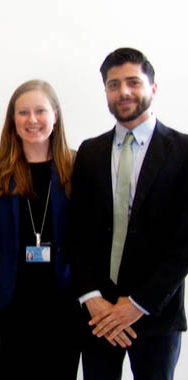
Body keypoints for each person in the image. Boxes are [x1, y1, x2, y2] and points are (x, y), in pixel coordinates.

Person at [70, 47, 188, 380]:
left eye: (133, 82)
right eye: (113, 84)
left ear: (153, 87)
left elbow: (185, 244)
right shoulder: (90, 152)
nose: (123, 92)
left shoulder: (183, 152)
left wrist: (136, 305)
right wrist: (92, 298)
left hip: (156, 314)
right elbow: (77, 234)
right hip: (98, 314)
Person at [0, 80, 80, 379]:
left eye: (40, 111)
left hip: (63, 305)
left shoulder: (76, 167)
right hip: (11, 305)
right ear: (12, 120)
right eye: (23, 113)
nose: (32, 120)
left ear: (55, 116)